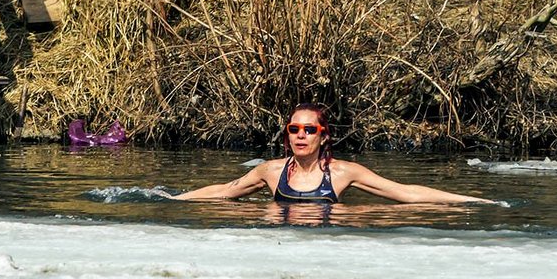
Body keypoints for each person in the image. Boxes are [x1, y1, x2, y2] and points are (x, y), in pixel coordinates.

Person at [175, 103, 494, 204]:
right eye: (294, 129)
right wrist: (175, 199)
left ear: (322, 135)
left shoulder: (343, 172)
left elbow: (404, 192)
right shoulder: (271, 172)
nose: (301, 135)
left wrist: (469, 200)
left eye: (309, 130)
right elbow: (225, 191)